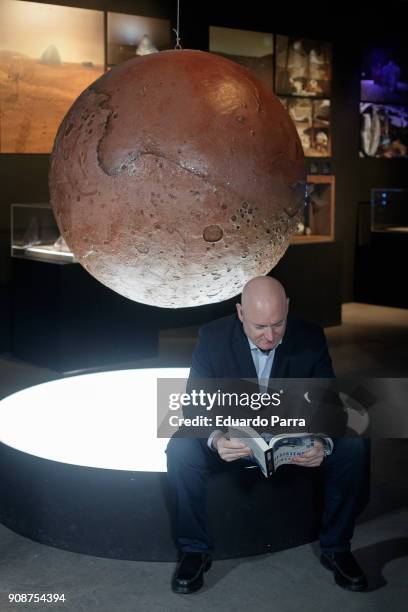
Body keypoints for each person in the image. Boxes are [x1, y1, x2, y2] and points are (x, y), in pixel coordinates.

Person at [166, 276, 368, 594]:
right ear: (241, 313)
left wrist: (321, 443)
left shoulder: (310, 336)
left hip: (290, 437)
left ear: (287, 308)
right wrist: (218, 438)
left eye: (278, 323)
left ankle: (337, 548)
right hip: (234, 438)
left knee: (353, 446)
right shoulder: (213, 337)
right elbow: (194, 406)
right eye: (260, 326)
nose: (270, 336)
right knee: (179, 448)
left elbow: (330, 405)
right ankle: (195, 551)